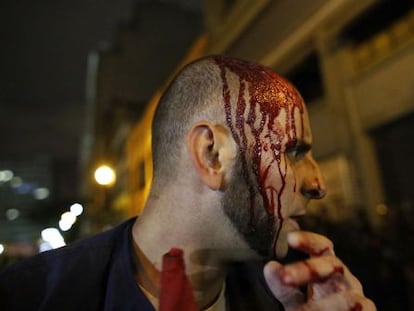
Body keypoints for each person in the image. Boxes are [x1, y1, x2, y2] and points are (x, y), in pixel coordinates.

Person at [0, 56, 376, 310]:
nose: (318, 183)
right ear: (211, 154)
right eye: (294, 152)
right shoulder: (29, 298)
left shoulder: (301, 293)